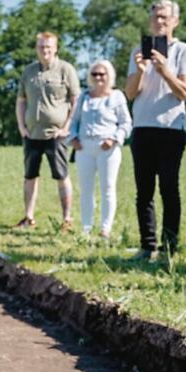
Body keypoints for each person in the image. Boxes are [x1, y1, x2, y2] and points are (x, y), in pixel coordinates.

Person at [125, 0, 186, 262]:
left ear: (175, 21)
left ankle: (168, 248)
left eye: (165, 17)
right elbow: (130, 93)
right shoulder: (138, 51)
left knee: (169, 188)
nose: (160, 22)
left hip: (170, 127)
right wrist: (141, 71)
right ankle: (147, 246)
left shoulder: (185, 52)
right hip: (142, 127)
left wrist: (165, 70)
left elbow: (185, 93)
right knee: (143, 191)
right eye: (156, 17)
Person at [14, 32, 80, 231]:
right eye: (41, 47)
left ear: (56, 48)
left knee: (61, 176)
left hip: (56, 135)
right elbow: (21, 101)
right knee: (30, 176)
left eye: (48, 47)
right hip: (32, 134)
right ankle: (28, 217)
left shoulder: (65, 70)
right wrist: (21, 126)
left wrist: (67, 127)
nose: (45, 50)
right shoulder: (29, 72)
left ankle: (66, 220)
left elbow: (75, 101)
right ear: (36, 48)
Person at [67, 59, 130, 239]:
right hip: (85, 146)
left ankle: (105, 228)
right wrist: (72, 139)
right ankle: (86, 228)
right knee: (86, 189)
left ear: (109, 76)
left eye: (102, 74)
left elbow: (126, 123)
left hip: (107, 147)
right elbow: (74, 121)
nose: (98, 78)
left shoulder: (117, 96)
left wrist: (114, 139)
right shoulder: (84, 97)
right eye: (94, 74)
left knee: (107, 188)